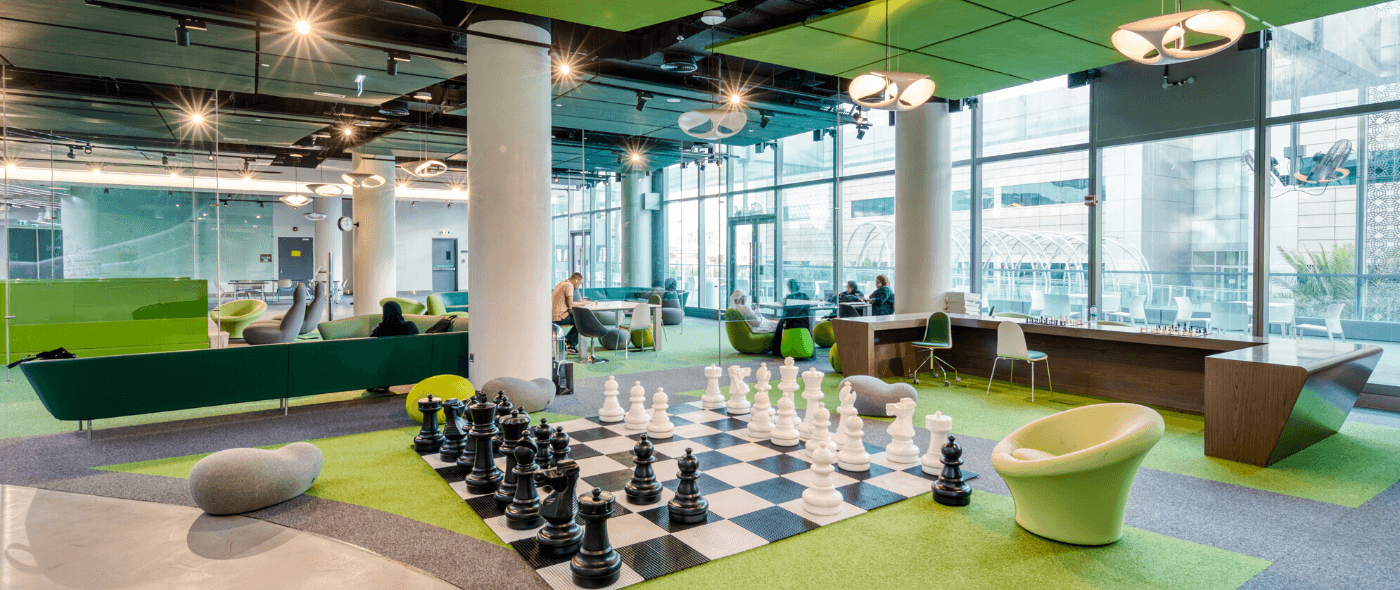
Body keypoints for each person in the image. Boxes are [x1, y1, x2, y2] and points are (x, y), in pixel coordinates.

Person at [552, 272, 587, 354]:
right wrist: (583, 303)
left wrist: (579, 302)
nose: (579, 285)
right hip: (560, 316)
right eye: (580, 283)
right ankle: (569, 343)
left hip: (553, 315)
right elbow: (570, 304)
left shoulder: (561, 284)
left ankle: (568, 341)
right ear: (576, 280)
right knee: (583, 322)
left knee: (579, 320)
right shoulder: (569, 285)